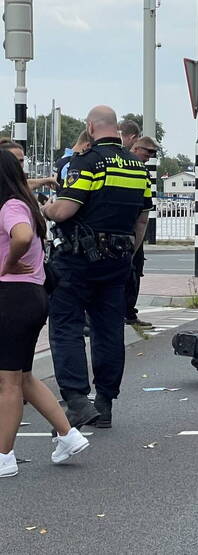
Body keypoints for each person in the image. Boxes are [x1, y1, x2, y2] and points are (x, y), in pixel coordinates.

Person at [42, 106, 152, 429]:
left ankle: (76, 399)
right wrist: (128, 251)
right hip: (117, 260)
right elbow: (142, 218)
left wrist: (46, 209)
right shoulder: (137, 168)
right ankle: (104, 402)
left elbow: (66, 209)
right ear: (116, 129)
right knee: (108, 329)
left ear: (91, 127)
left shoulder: (86, 162)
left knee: (66, 325)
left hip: (77, 260)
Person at [0, 150, 90, 477]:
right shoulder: (25, 204)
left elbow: (20, 237)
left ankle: (4, 456)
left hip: (13, 297)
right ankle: (68, 435)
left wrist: (9, 263)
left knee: (7, 381)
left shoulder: (10, 207)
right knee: (22, 377)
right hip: (32, 296)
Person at [124, 135, 160, 329]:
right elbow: (143, 215)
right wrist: (136, 246)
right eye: (148, 151)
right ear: (135, 147)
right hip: (128, 229)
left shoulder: (135, 170)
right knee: (130, 271)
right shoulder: (137, 171)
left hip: (121, 229)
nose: (150, 156)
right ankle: (126, 312)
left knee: (134, 272)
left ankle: (127, 312)